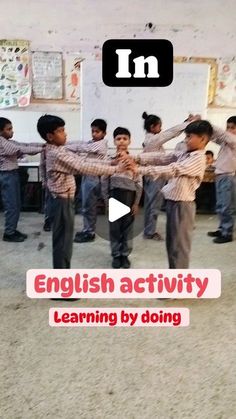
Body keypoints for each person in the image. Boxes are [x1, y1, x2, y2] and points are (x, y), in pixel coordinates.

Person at [36, 115, 127, 269]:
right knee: (63, 243)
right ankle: (62, 287)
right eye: (61, 131)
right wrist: (116, 168)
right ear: (50, 136)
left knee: (63, 240)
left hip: (61, 199)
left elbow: (86, 161)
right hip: (62, 202)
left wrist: (110, 162)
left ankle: (62, 280)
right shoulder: (58, 154)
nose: (65, 134)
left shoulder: (57, 149)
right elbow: (84, 167)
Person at [123, 120, 213, 269]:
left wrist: (139, 169)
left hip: (182, 206)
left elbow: (172, 169)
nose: (185, 140)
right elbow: (163, 157)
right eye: (186, 136)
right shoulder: (186, 153)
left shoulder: (198, 158)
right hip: (173, 203)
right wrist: (136, 158)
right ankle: (174, 275)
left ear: (203, 139)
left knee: (179, 247)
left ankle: (179, 282)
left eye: (189, 136)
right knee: (172, 245)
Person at [142, 112, 194, 240]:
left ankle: (148, 229)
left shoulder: (150, 139)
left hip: (151, 175)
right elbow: (171, 133)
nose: (161, 129)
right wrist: (187, 123)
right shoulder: (153, 140)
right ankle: (150, 232)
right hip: (155, 176)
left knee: (150, 204)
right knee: (154, 204)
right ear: (153, 127)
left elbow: (170, 133)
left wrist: (185, 122)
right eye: (160, 126)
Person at [101, 127, 142, 268]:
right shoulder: (109, 160)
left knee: (127, 228)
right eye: (118, 139)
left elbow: (138, 183)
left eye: (125, 138)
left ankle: (125, 255)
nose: (122, 141)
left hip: (129, 197)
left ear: (130, 141)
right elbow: (104, 182)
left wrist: (136, 203)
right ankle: (116, 255)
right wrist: (107, 202)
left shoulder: (134, 161)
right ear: (114, 141)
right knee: (115, 228)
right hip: (115, 196)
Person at [0, 117, 43, 242]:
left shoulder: (7, 141)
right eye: (9, 129)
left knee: (16, 203)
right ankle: (9, 233)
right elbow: (22, 149)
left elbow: (24, 145)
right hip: (6, 175)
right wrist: (43, 148)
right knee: (12, 205)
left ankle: (12, 229)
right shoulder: (2, 143)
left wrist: (43, 145)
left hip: (11, 175)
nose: (12, 131)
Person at [74, 119, 108, 243]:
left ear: (104, 133)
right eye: (92, 131)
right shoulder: (92, 143)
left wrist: (65, 145)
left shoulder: (100, 145)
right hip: (86, 176)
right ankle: (86, 229)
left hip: (93, 178)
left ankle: (90, 232)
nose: (94, 134)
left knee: (89, 206)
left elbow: (82, 147)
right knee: (86, 205)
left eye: (97, 132)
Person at [207, 116, 236, 243]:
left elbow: (221, 134)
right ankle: (222, 228)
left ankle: (227, 233)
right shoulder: (226, 141)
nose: (229, 130)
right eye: (228, 127)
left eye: (233, 128)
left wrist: (203, 121)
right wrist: (203, 128)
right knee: (220, 206)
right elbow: (214, 137)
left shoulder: (233, 140)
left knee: (226, 207)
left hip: (227, 176)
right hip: (220, 176)